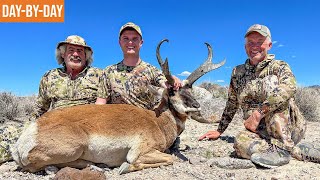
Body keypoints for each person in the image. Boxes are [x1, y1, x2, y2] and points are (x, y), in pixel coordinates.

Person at [199, 24, 320, 168]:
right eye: (250, 42)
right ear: (245, 47)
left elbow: (289, 87)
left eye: (259, 42)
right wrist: (219, 130)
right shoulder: (237, 73)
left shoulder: (279, 66)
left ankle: (282, 146)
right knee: (240, 143)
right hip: (260, 132)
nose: (254, 46)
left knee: (272, 83)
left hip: (289, 129)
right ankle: (292, 150)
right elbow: (232, 103)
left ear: (269, 45)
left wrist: (258, 113)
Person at [0, 35, 102, 163]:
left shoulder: (99, 75)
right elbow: (40, 108)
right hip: (53, 124)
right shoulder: (50, 76)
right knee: (7, 133)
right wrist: (30, 127)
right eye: (71, 50)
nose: (76, 54)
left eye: (80, 51)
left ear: (86, 56)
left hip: (81, 129)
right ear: (63, 54)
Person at [95, 22, 181, 108]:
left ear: (141, 43)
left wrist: (173, 80)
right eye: (126, 38)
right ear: (120, 42)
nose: (130, 42)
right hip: (117, 120)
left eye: (135, 38)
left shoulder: (152, 70)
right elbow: (100, 103)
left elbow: (164, 83)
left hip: (146, 120)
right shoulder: (108, 71)